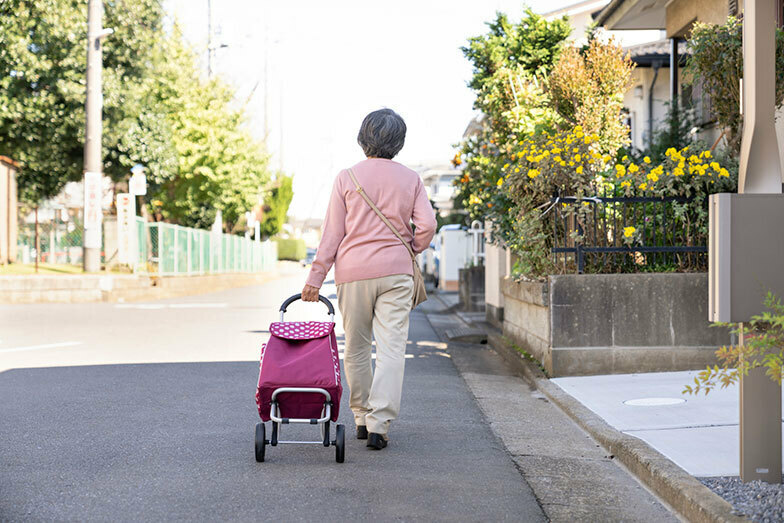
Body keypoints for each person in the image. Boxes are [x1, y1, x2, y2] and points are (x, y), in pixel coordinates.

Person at [301, 108, 437, 451]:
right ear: (399, 142)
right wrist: (412, 248)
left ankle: (360, 417)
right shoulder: (412, 179)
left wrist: (316, 278)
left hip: (353, 273)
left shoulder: (347, 178)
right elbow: (428, 226)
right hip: (396, 272)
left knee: (357, 347)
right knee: (392, 349)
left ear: (363, 139)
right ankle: (380, 424)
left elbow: (332, 234)